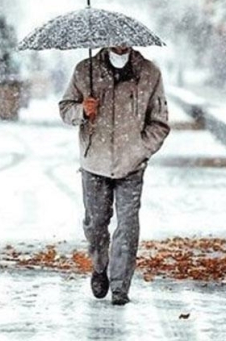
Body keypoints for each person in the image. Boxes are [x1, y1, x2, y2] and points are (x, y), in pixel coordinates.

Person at [59, 45, 170, 305]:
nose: (119, 43)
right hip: (94, 162)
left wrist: (141, 149)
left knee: (128, 225)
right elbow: (65, 108)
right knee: (96, 224)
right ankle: (100, 267)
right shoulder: (85, 70)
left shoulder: (149, 73)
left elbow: (160, 121)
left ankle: (120, 286)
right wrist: (82, 111)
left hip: (131, 165)